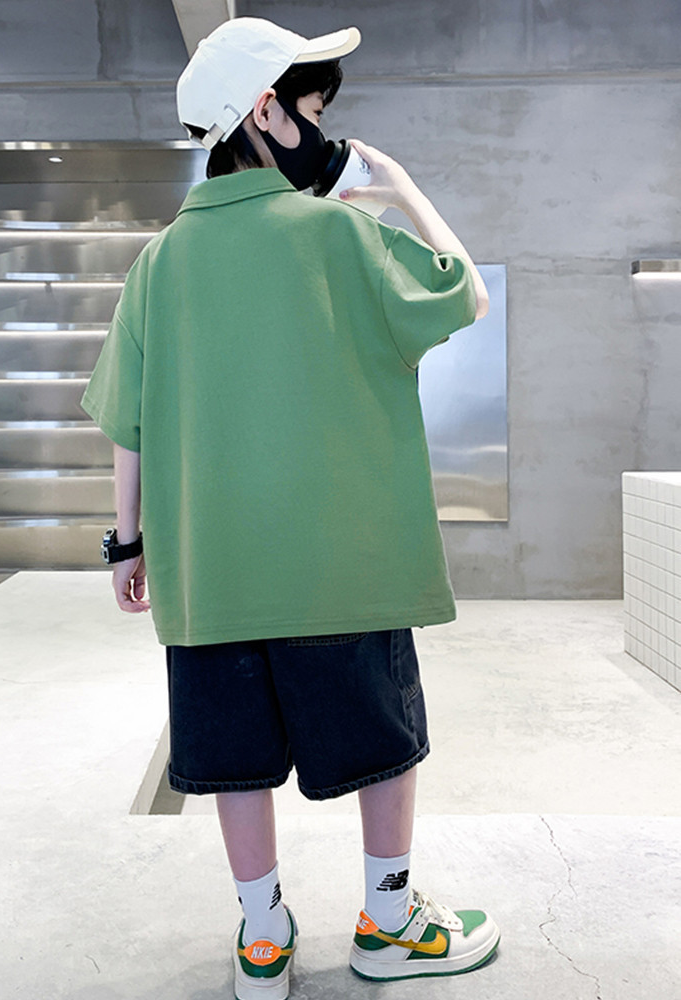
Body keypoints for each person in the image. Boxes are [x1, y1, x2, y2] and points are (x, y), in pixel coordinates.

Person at [82, 16, 500, 1000]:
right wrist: (399, 186)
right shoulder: (339, 232)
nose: (325, 131)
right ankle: (389, 922)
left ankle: (264, 941)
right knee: (381, 741)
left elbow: (127, 422)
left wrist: (128, 545)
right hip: (343, 565)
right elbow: (465, 295)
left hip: (214, 574)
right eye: (313, 106)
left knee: (233, 759)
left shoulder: (159, 263)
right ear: (265, 110)